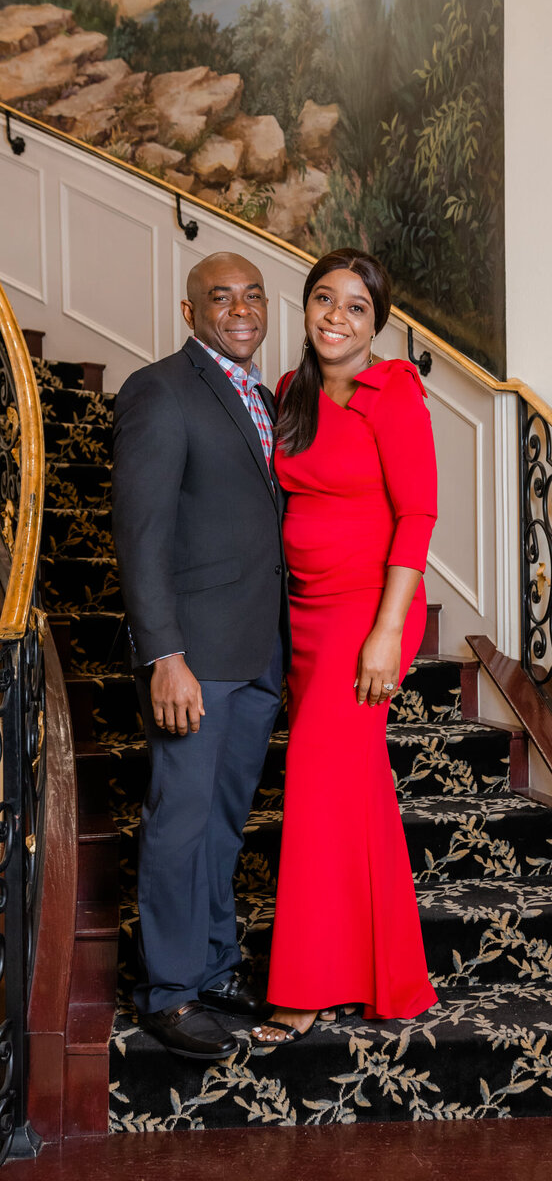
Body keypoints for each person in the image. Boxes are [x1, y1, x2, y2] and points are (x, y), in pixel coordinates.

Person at [252, 247, 438, 1045]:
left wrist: (386, 633)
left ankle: (303, 985)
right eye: (323, 299)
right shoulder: (291, 392)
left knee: (317, 787)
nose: (335, 316)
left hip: (367, 615)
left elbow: (417, 518)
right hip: (302, 614)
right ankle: (390, 977)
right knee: (355, 794)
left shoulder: (393, 394)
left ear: (376, 325)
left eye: (355, 307)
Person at [112, 252, 290, 1060]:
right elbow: (140, 536)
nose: (241, 309)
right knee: (179, 821)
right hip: (196, 657)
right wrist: (165, 656)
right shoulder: (160, 389)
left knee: (221, 822)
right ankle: (171, 993)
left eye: (252, 295)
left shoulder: (262, 396)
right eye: (221, 298)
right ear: (191, 313)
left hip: (257, 651)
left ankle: (214, 967)